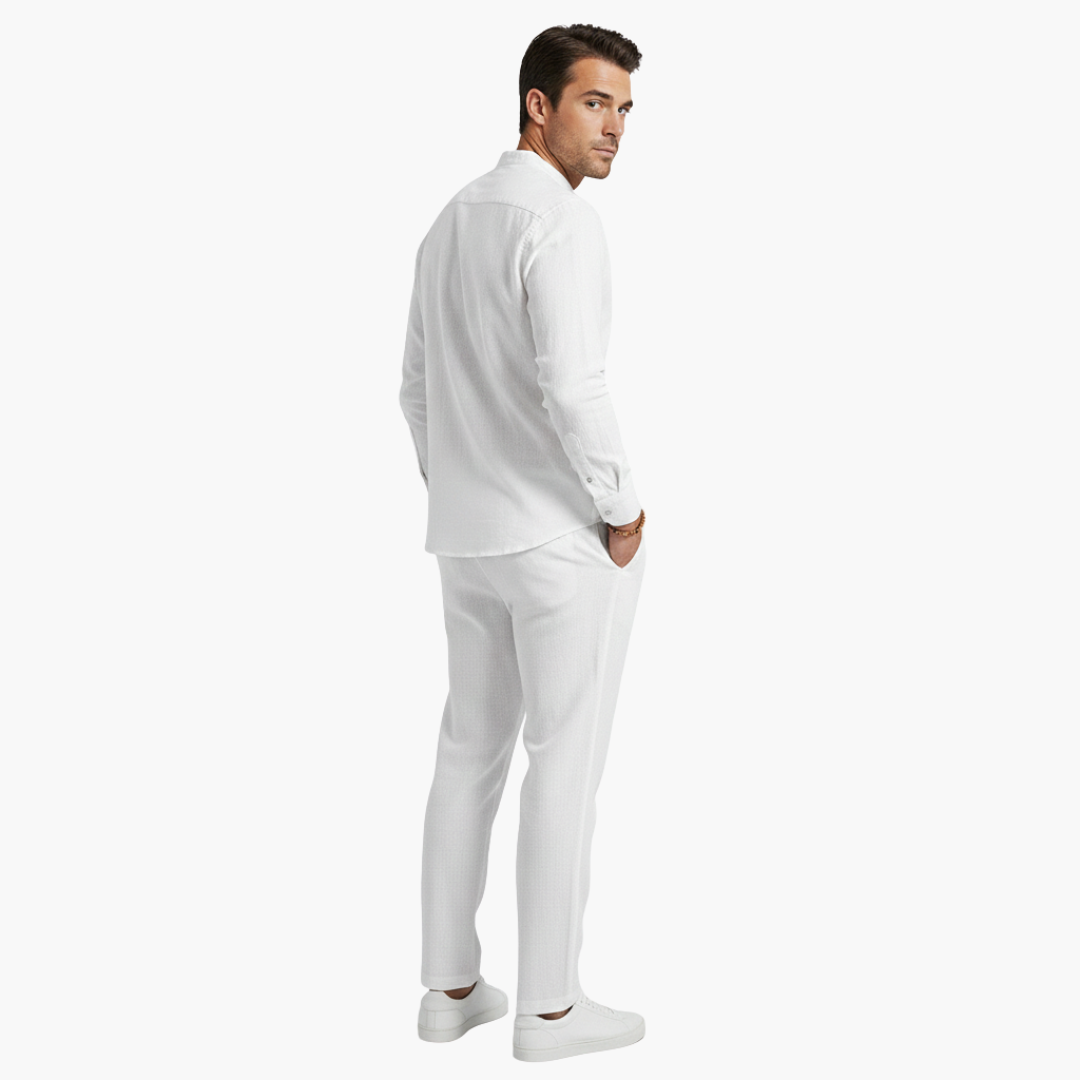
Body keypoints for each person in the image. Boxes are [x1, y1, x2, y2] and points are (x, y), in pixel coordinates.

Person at [399, 23, 649, 1063]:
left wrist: (458, 487)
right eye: (595, 102)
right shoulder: (560, 223)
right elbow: (575, 386)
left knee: (469, 751)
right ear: (537, 106)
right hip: (555, 536)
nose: (615, 128)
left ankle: (450, 988)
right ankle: (549, 1009)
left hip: (468, 539)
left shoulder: (451, 220)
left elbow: (414, 389)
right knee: (564, 763)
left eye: (625, 109)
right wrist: (622, 507)